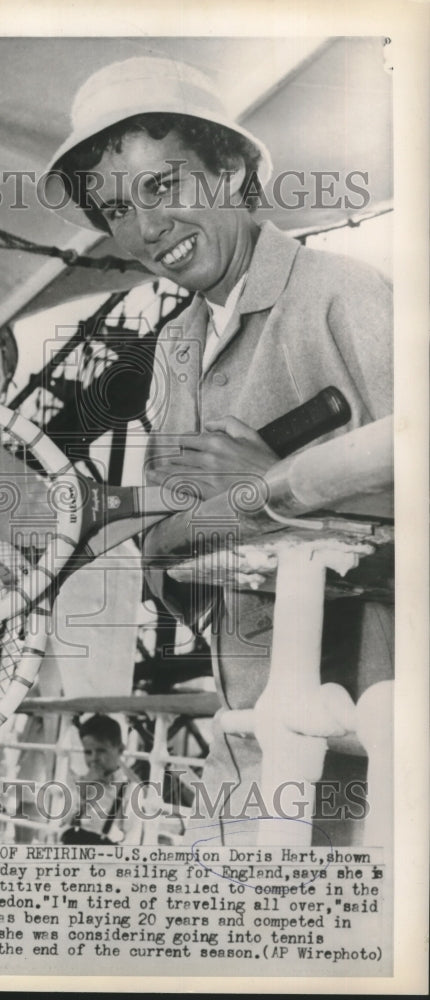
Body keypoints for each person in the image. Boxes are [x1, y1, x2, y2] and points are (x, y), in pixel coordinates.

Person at [43, 57, 393, 845]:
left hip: (373, 742)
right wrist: (170, 537)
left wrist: (278, 488)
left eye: (163, 188)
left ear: (230, 170)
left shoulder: (346, 295)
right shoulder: (175, 348)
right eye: (115, 210)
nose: (144, 229)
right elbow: (177, 561)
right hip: (251, 739)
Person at [61, 714, 145, 845]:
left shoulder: (130, 789)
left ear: (120, 750)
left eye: (101, 751)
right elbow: (65, 822)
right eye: (88, 752)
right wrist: (82, 791)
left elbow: (132, 838)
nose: (94, 758)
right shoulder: (80, 782)